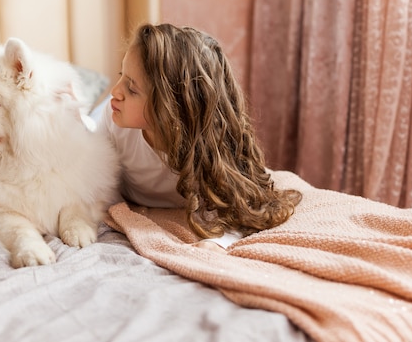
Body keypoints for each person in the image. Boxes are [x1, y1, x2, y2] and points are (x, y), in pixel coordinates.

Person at [97, 23, 302, 251]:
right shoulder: (112, 119)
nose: (115, 91)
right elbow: (96, 187)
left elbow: (243, 209)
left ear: (172, 107)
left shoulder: (210, 150)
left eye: (132, 89)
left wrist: (217, 243)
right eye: (120, 75)